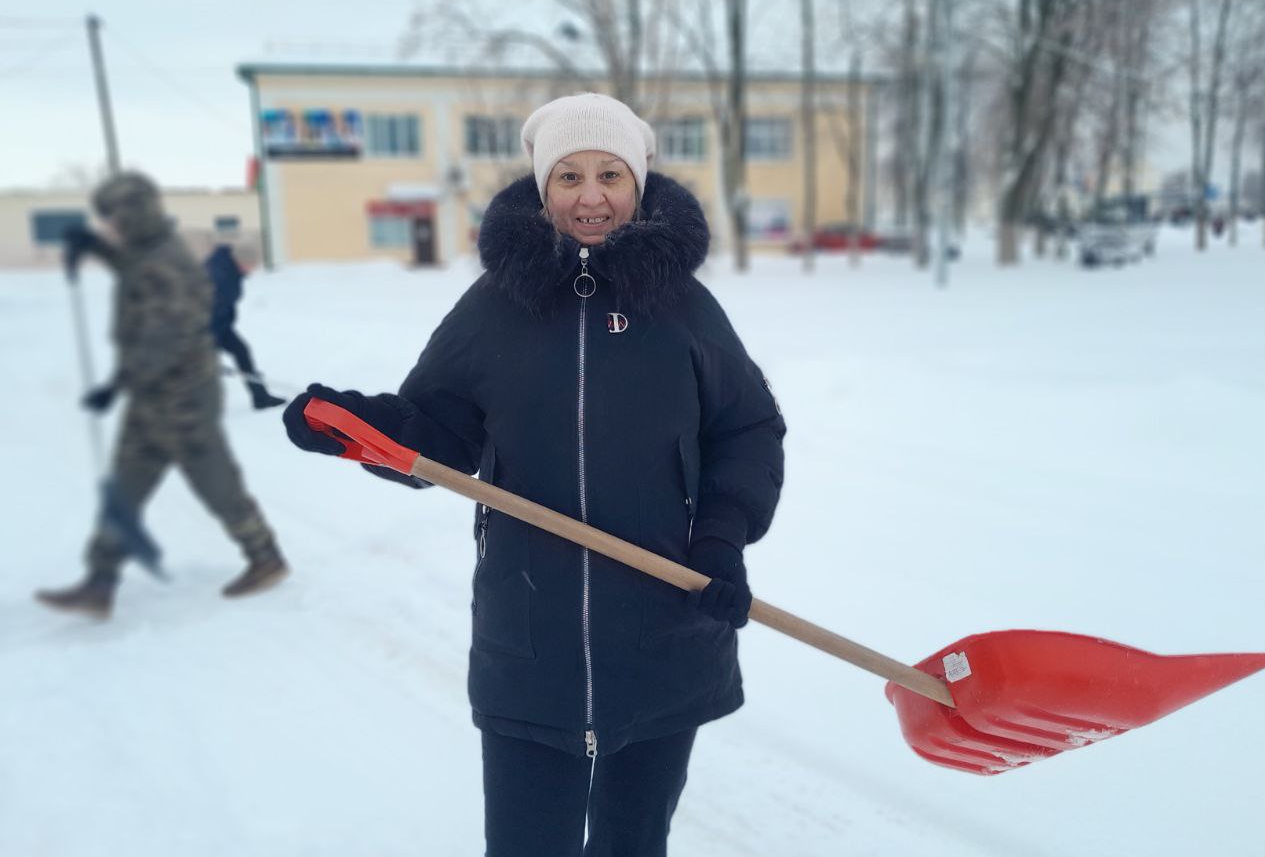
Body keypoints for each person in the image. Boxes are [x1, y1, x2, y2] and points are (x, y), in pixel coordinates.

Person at [283, 93, 785, 856]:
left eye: (610, 174)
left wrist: (721, 538)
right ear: (544, 189)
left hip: (663, 635)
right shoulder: (495, 307)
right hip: (530, 645)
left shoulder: (683, 307)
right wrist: (362, 428)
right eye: (569, 176)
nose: (591, 197)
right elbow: (438, 436)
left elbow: (745, 429)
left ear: (639, 182)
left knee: (633, 845)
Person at [37, 172, 289, 619]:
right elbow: (132, 266)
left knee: (216, 483)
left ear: (134, 214)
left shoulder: (166, 263)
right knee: (127, 482)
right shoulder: (149, 250)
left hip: (184, 398)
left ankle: (264, 556)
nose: (110, 226)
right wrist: (94, 248)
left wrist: (115, 385)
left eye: (113, 218)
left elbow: (162, 342)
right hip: (154, 395)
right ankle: (100, 579)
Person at [204, 241, 286, 409]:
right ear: (241, 261)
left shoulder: (229, 270)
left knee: (241, 351)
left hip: (221, 326)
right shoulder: (219, 277)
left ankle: (260, 398)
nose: (253, 269)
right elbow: (205, 311)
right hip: (202, 331)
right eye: (252, 265)